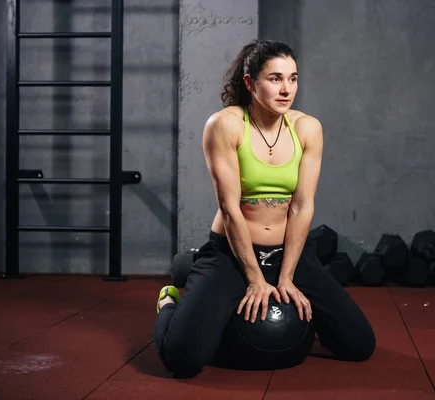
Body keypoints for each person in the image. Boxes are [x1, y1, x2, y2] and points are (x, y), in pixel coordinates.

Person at [153, 39, 376, 378]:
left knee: (359, 345)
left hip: (291, 252)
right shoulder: (225, 125)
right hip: (231, 253)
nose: (287, 89)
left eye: (293, 78)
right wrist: (255, 279)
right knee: (182, 360)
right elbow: (230, 209)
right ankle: (170, 302)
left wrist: (286, 276)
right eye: (275, 79)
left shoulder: (307, 128)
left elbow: (302, 206)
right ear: (249, 83)